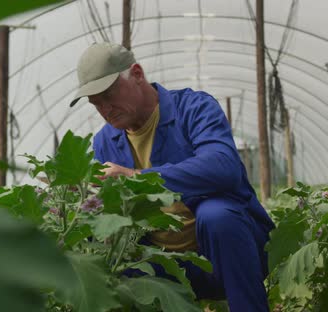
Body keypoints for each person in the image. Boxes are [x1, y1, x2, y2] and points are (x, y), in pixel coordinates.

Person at [70, 42, 274, 312]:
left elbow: (223, 166)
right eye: (96, 104)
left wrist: (136, 176)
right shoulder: (104, 143)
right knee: (109, 252)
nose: (105, 109)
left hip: (226, 255)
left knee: (217, 215)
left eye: (109, 95)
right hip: (162, 267)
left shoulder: (193, 108)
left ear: (138, 74)